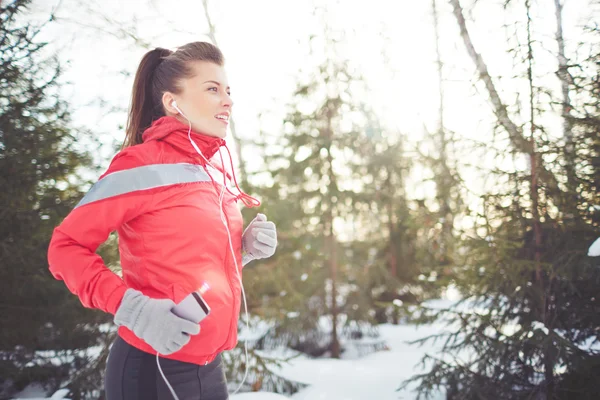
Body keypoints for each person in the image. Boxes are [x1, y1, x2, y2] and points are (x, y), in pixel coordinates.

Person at [47, 42, 278, 400]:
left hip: (207, 364)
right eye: (212, 89)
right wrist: (134, 309)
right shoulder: (140, 165)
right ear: (173, 102)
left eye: (228, 90)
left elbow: (192, 262)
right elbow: (65, 248)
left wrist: (242, 249)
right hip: (152, 367)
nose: (228, 100)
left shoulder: (211, 171)